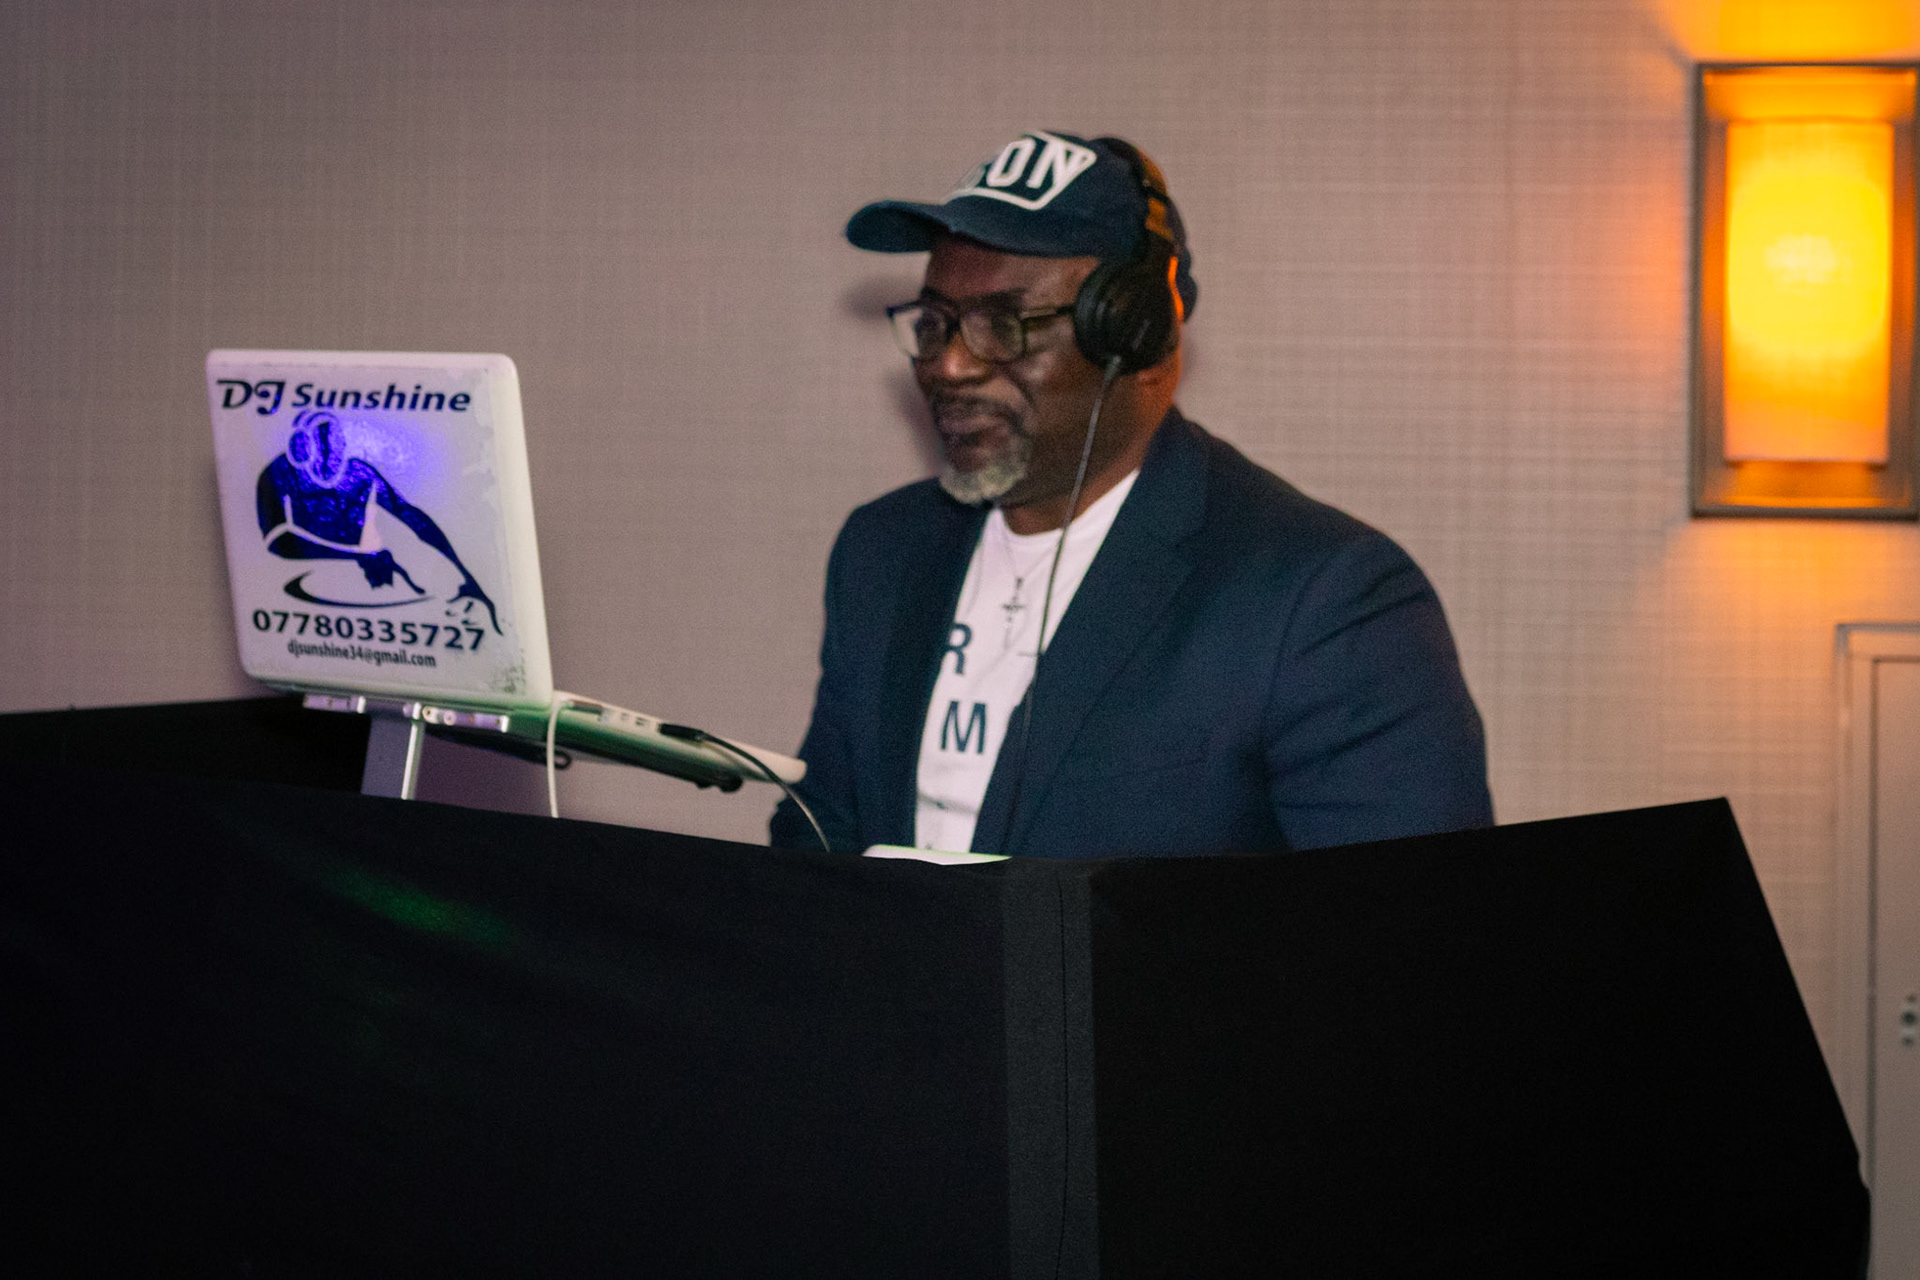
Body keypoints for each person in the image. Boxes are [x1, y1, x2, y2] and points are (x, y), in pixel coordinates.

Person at [771, 130, 1490, 858]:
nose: (949, 366)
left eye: (1004, 326)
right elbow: (816, 843)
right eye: (936, 324)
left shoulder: (1325, 600)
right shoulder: (881, 551)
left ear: (1133, 337)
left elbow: (1406, 924)